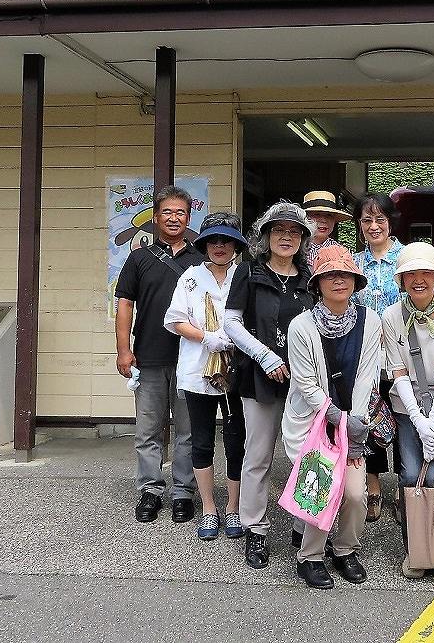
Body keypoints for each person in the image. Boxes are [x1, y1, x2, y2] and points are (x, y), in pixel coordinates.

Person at [283, 245, 382, 590]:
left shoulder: (372, 322)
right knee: (322, 489)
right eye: (330, 275)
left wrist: (353, 430)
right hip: (313, 421)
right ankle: (309, 556)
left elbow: (367, 376)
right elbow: (306, 385)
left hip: (352, 422)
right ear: (317, 284)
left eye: (346, 274)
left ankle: (345, 549)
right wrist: (337, 418)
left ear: (355, 281)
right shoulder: (301, 326)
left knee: (355, 494)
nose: (339, 280)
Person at [223, 201, 315, 569]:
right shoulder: (248, 272)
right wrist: (266, 356)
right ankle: (256, 530)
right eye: (279, 231)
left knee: (303, 458)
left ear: (303, 239)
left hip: (303, 383)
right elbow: (231, 323)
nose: (286, 237)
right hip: (259, 377)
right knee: (258, 456)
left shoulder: (310, 278)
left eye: (294, 232)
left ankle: (301, 526)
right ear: (266, 236)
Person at [115, 185, 202, 525]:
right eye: (167, 212)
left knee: (187, 430)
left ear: (188, 218)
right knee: (148, 430)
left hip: (190, 359)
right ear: (155, 218)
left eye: (181, 212)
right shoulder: (139, 258)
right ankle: (150, 490)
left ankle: (183, 492)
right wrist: (124, 350)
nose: (174, 217)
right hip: (148, 356)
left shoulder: (201, 260)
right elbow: (125, 304)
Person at [382, 241, 434, 578]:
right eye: (410, 273)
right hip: (407, 407)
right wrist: (418, 419)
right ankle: (416, 550)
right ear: (401, 280)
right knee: (408, 474)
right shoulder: (391, 316)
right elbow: (397, 370)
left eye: (425, 272)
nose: (418, 279)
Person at [164, 212, 247, 541]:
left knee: (235, 442)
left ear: (236, 245)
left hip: (236, 372)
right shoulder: (191, 277)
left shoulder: (244, 276)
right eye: (213, 240)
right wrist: (205, 336)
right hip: (198, 370)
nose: (219, 246)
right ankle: (210, 509)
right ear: (204, 244)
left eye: (226, 240)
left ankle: (234, 507)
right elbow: (175, 320)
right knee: (200, 441)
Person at [352, 191, 405, 522]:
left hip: (402, 356)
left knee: (403, 419)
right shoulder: (354, 263)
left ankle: (404, 486)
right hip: (364, 357)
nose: (373, 226)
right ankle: (372, 487)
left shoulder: (407, 258)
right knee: (367, 419)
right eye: (367, 220)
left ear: (390, 222)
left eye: (380, 219)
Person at [303, 190, 351, 270]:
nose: (323, 220)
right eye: (317, 214)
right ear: (305, 218)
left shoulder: (342, 252)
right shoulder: (295, 247)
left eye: (329, 215)